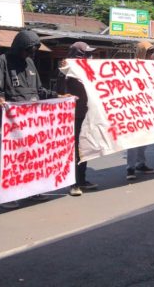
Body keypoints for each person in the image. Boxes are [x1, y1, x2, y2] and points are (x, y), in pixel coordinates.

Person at [0, 29, 60, 208]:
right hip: (13, 122)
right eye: (28, 50)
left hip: (32, 120)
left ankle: (32, 191)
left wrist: (59, 96)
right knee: (14, 158)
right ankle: (9, 196)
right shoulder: (2, 61)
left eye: (33, 51)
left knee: (33, 157)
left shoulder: (30, 63)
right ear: (19, 47)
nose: (31, 54)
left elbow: (40, 91)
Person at [57, 42, 99, 196]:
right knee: (74, 151)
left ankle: (82, 179)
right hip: (72, 117)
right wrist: (63, 71)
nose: (90, 57)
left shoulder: (87, 70)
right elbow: (59, 92)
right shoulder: (66, 70)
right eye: (86, 54)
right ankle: (73, 183)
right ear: (78, 56)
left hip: (87, 115)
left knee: (84, 149)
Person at [126, 41, 154, 180]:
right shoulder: (131, 68)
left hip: (147, 109)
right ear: (143, 53)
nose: (153, 55)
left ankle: (141, 163)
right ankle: (130, 168)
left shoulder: (153, 68)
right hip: (134, 109)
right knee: (133, 140)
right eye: (150, 52)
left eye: (153, 52)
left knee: (143, 139)